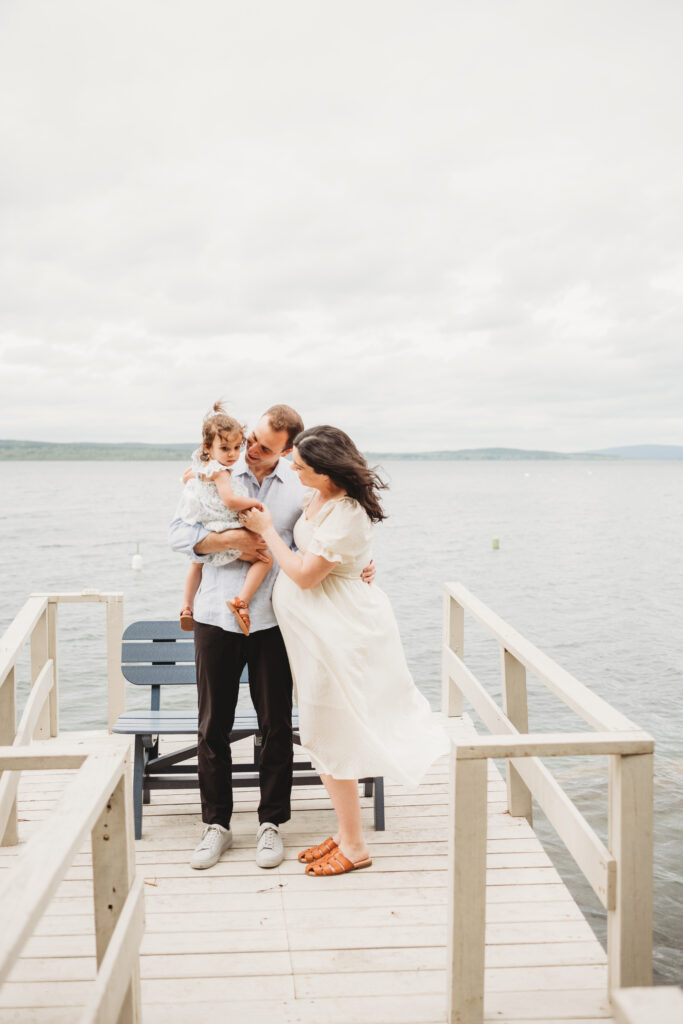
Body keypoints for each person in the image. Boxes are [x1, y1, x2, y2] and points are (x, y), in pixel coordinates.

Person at [169, 405, 375, 871]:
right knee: (212, 727)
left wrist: (359, 563)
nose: (252, 450)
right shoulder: (214, 473)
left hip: (275, 621)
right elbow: (177, 536)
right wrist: (230, 542)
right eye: (251, 439)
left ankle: (271, 823)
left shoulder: (301, 484)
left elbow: (321, 540)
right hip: (215, 616)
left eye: (265, 446)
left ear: (287, 451)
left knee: (276, 726)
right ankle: (216, 825)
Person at [241, 425, 450, 877]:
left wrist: (266, 531)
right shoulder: (317, 496)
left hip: (338, 634)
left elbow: (304, 575)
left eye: (300, 466)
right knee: (323, 733)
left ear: (327, 472)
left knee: (331, 733)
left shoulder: (347, 512)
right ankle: (344, 831)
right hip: (316, 635)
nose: (293, 469)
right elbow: (330, 554)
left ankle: (355, 846)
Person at [178, 402, 273, 636]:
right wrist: (254, 502)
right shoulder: (221, 472)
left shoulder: (203, 468)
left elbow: (187, 479)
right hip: (226, 524)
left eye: (236, 447)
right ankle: (241, 602)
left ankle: (187, 606)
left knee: (196, 562)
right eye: (225, 448)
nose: (232, 454)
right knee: (265, 560)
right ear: (208, 447)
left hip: (208, 525)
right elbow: (230, 501)